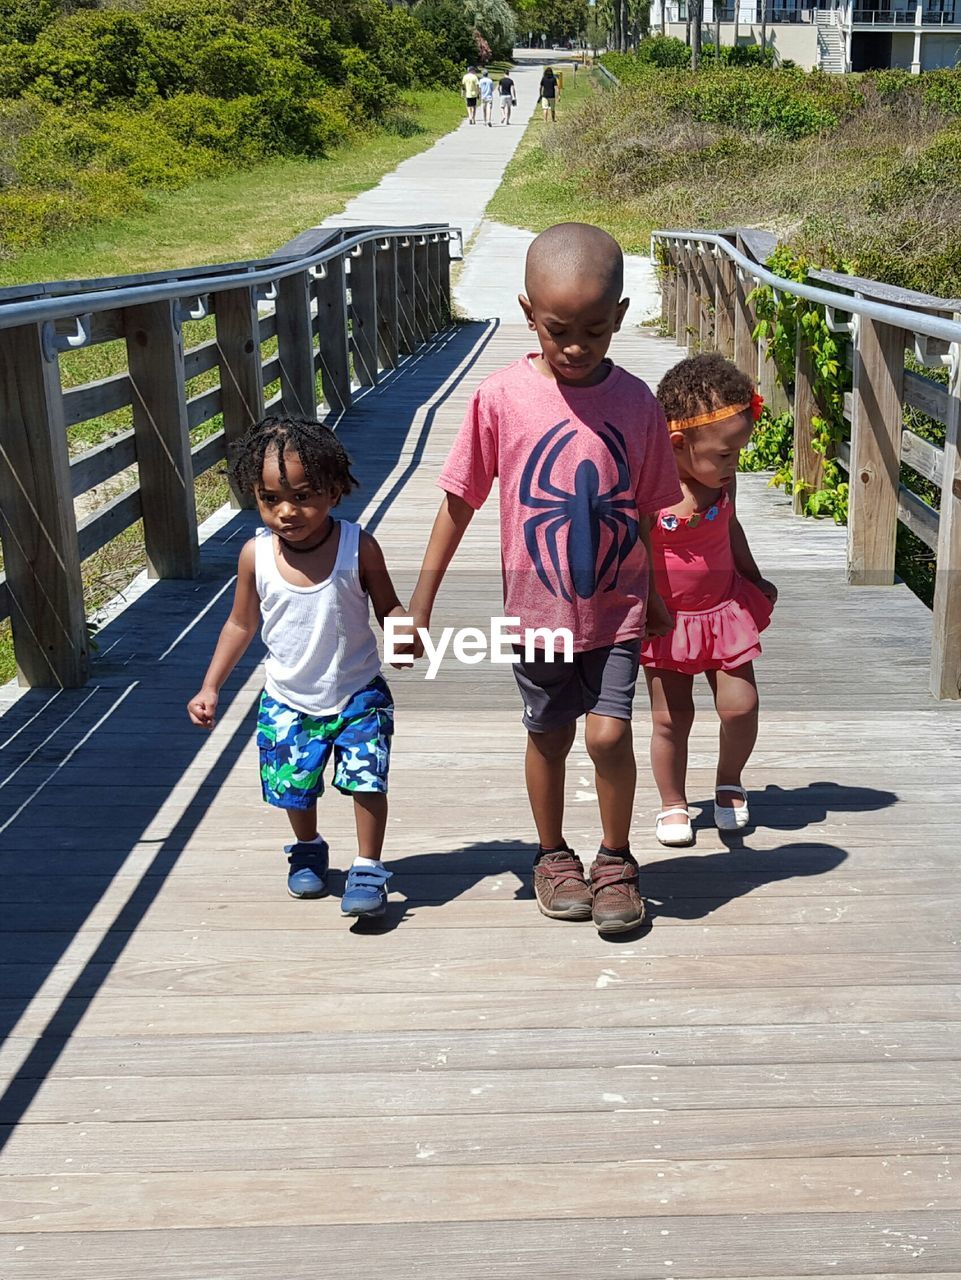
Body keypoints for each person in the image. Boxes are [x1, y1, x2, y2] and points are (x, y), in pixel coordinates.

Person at [404, 224, 682, 935]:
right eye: (559, 330)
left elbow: (648, 510)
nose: (577, 345)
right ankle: (553, 855)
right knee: (549, 734)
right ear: (528, 313)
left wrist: (655, 592)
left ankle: (616, 858)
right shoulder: (499, 398)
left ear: (620, 315)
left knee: (606, 736)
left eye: (595, 329)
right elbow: (459, 500)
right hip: (537, 615)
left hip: (615, 608)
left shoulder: (637, 403)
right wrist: (419, 605)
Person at [186, 415, 407, 918]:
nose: (287, 512)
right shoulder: (255, 556)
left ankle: (368, 866)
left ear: (334, 491)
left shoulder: (359, 546)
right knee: (294, 785)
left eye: (304, 496)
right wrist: (210, 685)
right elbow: (240, 626)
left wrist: (403, 630)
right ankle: (307, 848)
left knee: (367, 779)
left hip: (358, 691)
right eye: (270, 500)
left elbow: (388, 606)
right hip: (288, 697)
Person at [640, 354, 778, 848]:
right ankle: (673, 801)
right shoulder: (650, 491)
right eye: (725, 455)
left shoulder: (723, 482)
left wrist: (754, 577)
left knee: (741, 706)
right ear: (677, 445)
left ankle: (729, 780)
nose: (733, 464)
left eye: (738, 453)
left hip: (724, 609)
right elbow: (635, 551)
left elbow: (732, 527)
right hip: (668, 620)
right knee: (670, 719)